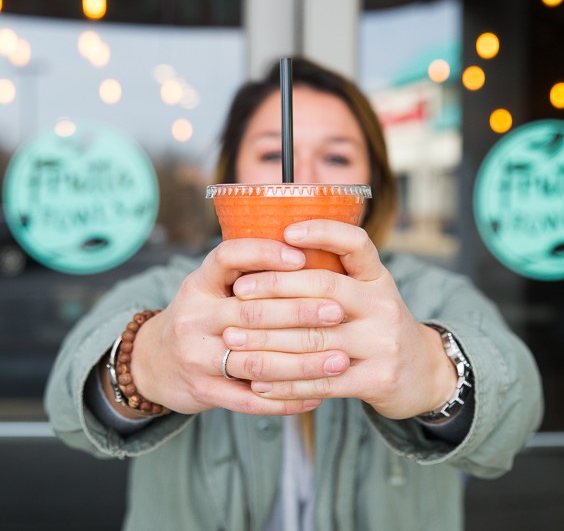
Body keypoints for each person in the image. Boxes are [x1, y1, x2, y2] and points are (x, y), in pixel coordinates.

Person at [45, 57, 543, 531]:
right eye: (271, 153)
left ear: (372, 184)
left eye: (336, 156)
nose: (302, 176)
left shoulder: (426, 293)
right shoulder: (175, 293)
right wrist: (146, 363)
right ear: (230, 179)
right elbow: (65, 406)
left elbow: (520, 410)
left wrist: (434, 372)